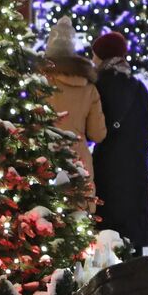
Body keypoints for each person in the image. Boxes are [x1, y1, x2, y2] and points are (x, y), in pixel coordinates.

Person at [91, 30, 148, 255]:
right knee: (130, 240)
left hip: (107, 171)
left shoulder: (98, 86)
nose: (92, 60)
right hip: (135, 172)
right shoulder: (138, 88)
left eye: (95, 55)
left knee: (107, 237)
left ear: (103, 57)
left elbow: (94, 130)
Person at [40, 17, 106, 209]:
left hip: (44, 157)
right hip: (78, 161)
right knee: (78, 218)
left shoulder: (38, 83)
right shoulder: (88, 87)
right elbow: (98, 134)